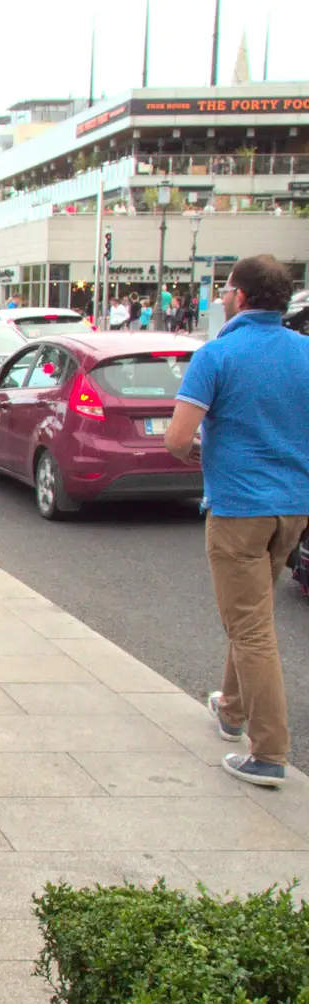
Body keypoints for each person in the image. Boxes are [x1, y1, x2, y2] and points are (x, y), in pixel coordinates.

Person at [165, 255, 309, 788]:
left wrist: (207, 454)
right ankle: (230, 709)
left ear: (240, 297)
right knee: (253, 608)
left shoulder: (217, 355)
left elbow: (178, 439)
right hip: (293, 509)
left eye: (226, 290)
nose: (223, 298)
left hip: (238, 509)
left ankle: (268, 752)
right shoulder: (306, 352)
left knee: (250, 627)